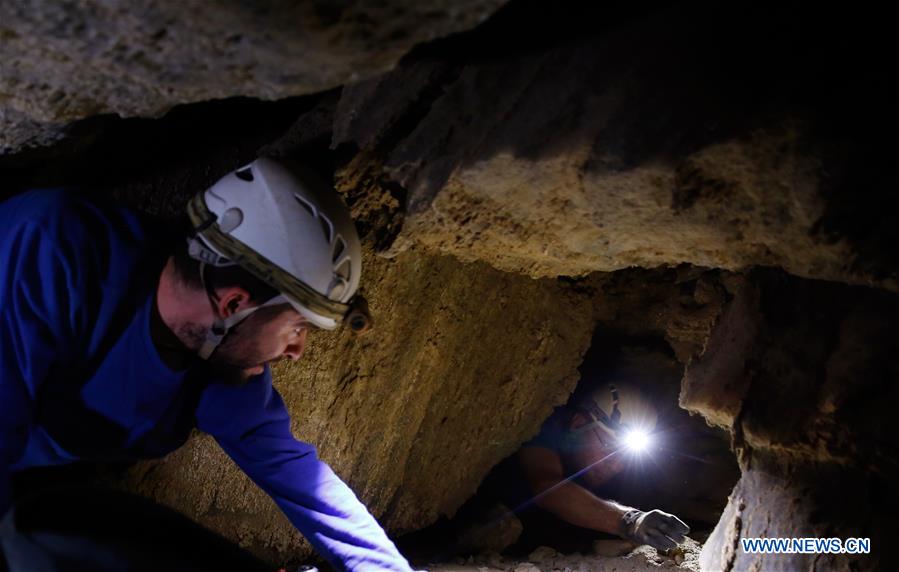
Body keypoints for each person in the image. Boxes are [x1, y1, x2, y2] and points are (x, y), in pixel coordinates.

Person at [0, 158, 413, 571]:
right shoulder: (53, 254)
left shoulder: (218, 361)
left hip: (39, 491)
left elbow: (298, 477)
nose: (297, 351)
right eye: (297, 327)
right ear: (233, 303)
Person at [509, 382, 690, 554]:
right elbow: (547, 489)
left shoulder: (602, 467)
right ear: (579, 423)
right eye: (609, 448)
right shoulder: (546, 426)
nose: (616, 465)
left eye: (625, 457)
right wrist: (631, 520)